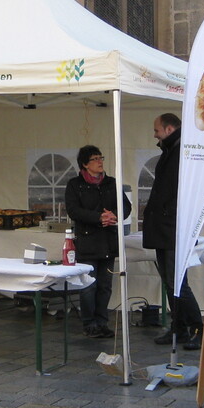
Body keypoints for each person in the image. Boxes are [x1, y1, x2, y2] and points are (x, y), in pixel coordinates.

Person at [142, 113, 204, 349]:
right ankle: (179, 327)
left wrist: (167, 213)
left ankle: (197, 327)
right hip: (165, 227)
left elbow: (182, 193)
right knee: (170, 281)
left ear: (169, 129)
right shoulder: (171, 151)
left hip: (174, 228)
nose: (155, 134)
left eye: (157, 130)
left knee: (178, 281)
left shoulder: (182, 152)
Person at [65, 145, 130, 338]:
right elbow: (73, 210)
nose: (100, 161)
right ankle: (89, 323)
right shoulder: (75, 184)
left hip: (108, 241)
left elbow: (126, 207)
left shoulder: (111, 183)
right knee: (88, 285)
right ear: (85, 164)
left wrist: (114, 215)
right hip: (87, 242)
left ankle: (102, 321)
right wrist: (98, 218)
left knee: (105, 285)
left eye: (101, 157)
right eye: (95, 159)